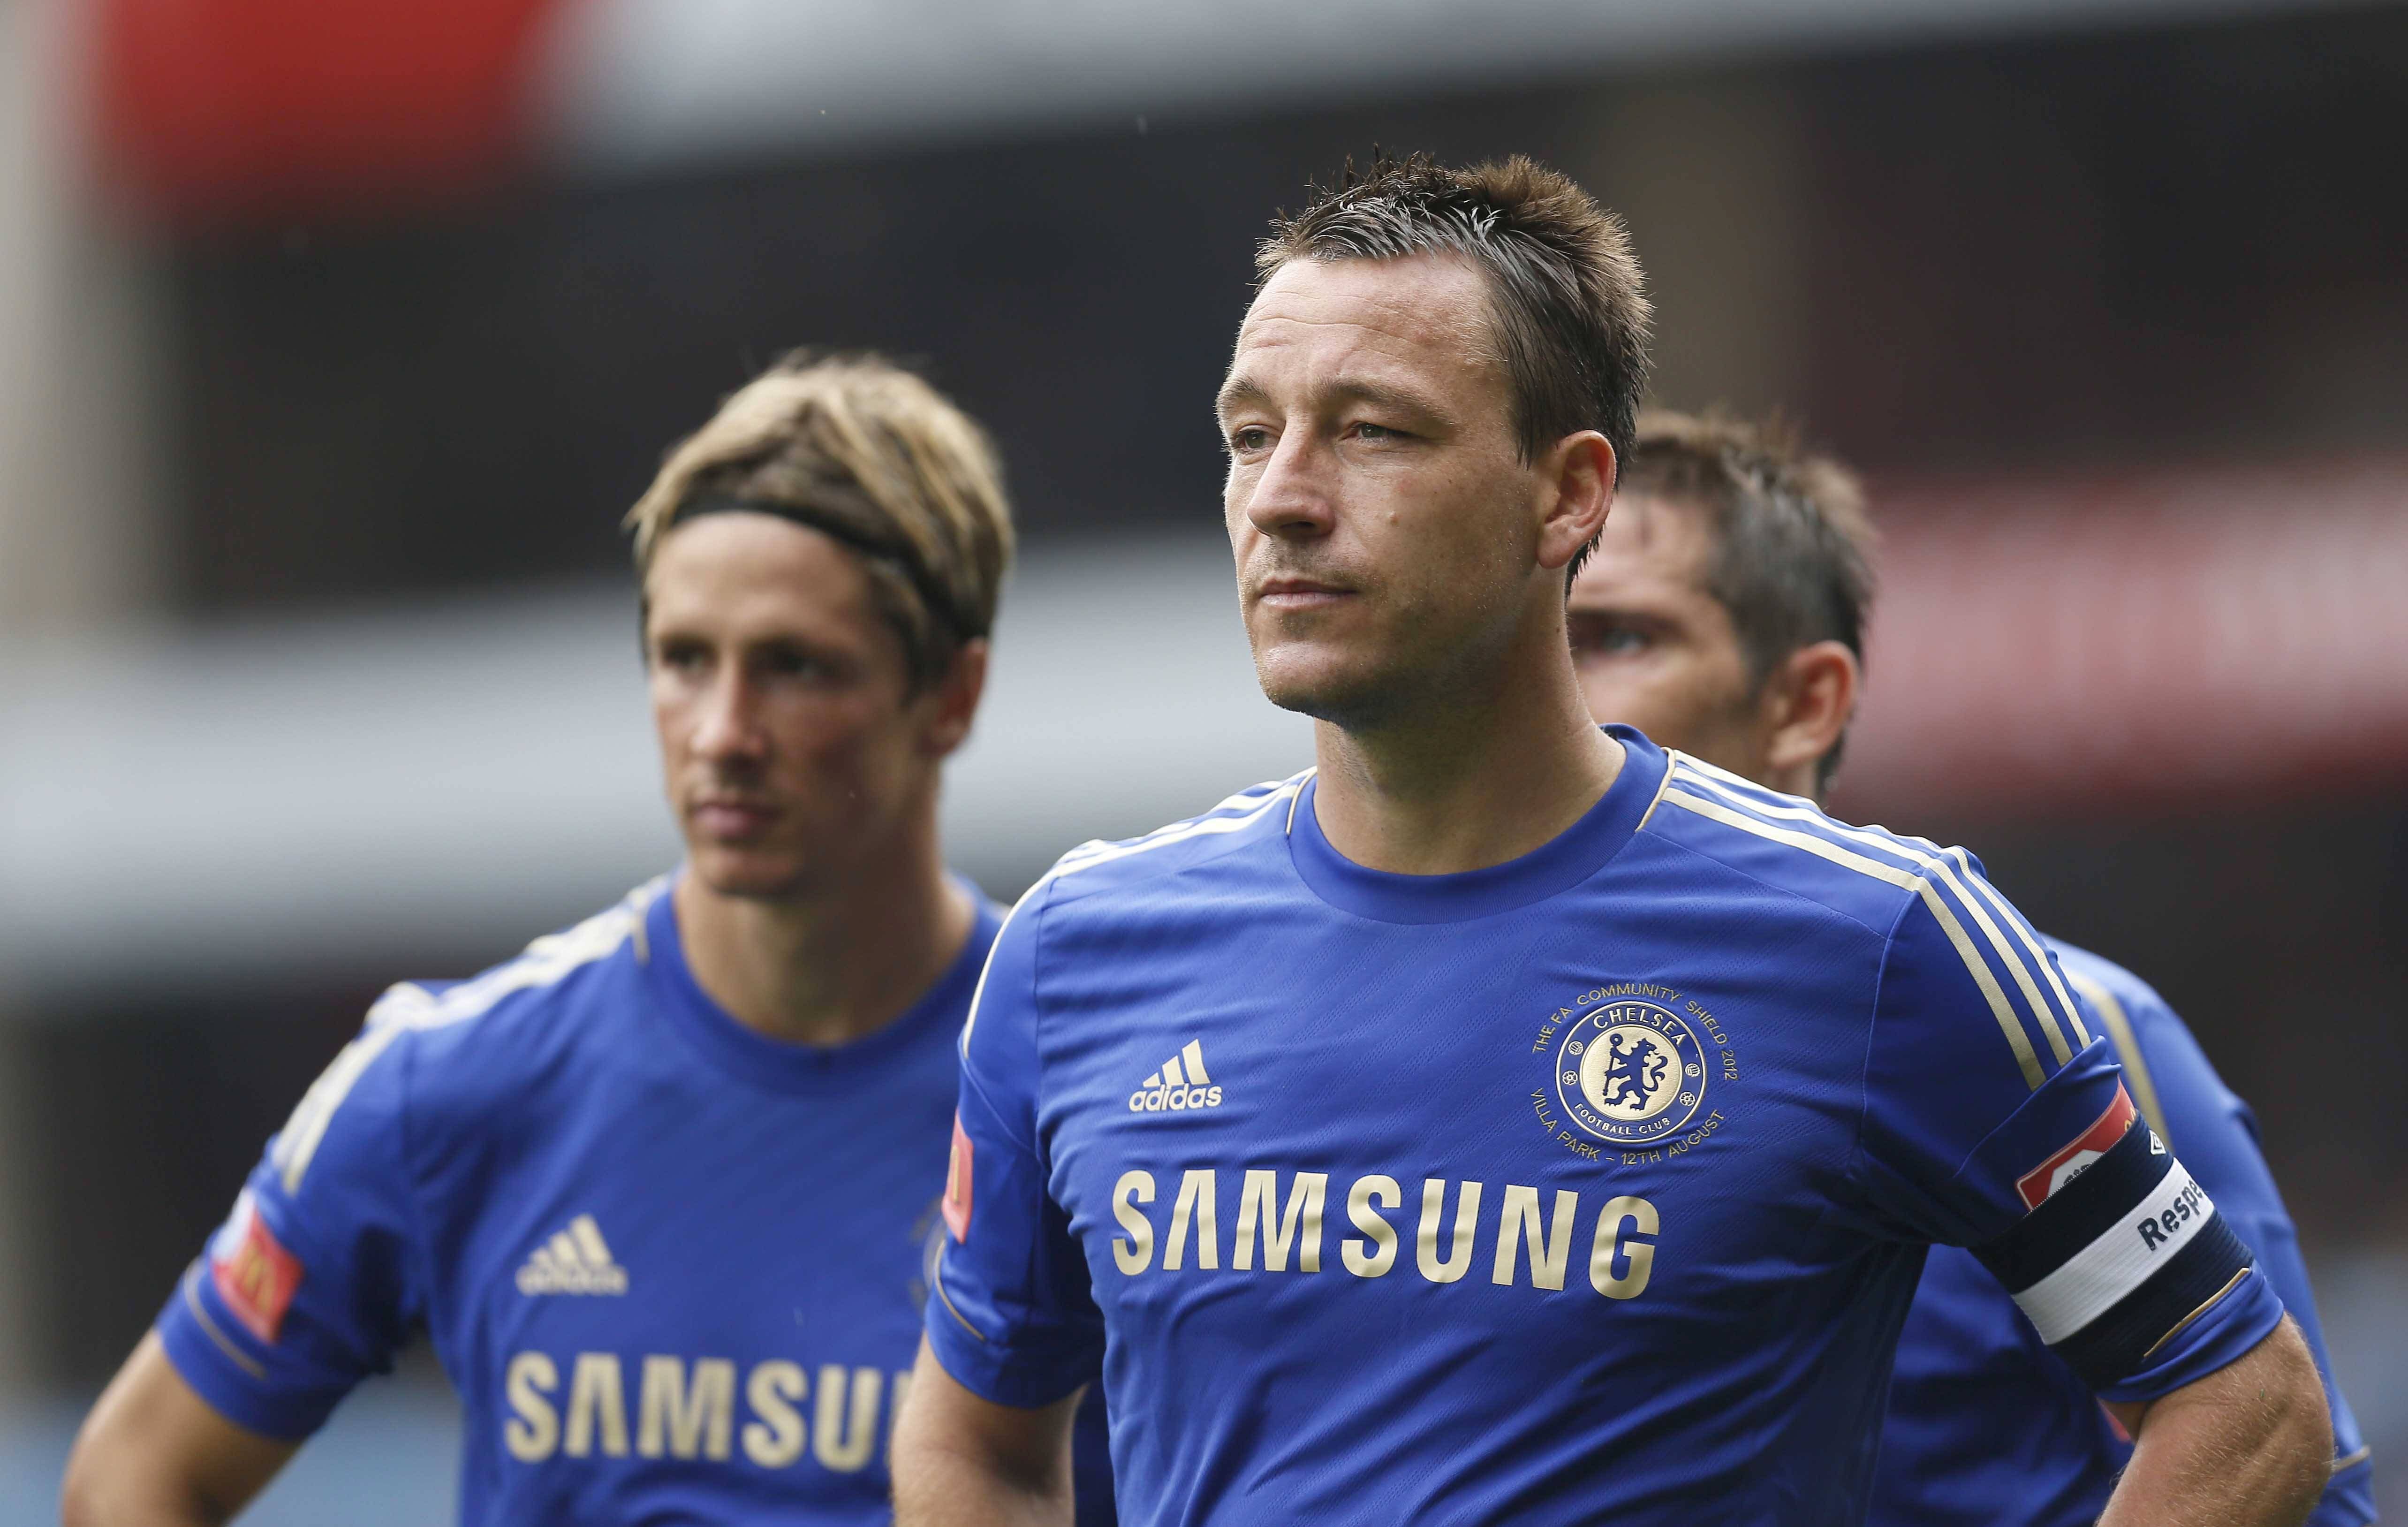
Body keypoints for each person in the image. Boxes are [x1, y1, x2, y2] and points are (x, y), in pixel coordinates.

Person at [889, 152, 2334, 1527]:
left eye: (1371, 430)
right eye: (1251, 435)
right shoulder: (1078, 952)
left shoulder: (1877, 942)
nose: (1279, 498)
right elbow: (976, 1437)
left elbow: (2242, 1404)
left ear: (1569, 493)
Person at [61, 354, 1113, 1526]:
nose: (723, 731)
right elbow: (136, 1470)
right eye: (683, 659)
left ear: (951, 696)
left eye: (794, 667)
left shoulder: (1093, 1077)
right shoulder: (449, 1080)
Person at [1562, 407, 2375, 1527]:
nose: (1557, 695)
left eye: (1616, 637)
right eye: (1539, 638)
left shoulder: (2064, 1029)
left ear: (1803, 701)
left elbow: (2298, 1479)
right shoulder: (1499, 1056)